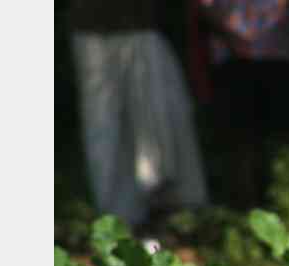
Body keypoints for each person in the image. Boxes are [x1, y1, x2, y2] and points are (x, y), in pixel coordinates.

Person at [70, 0, 208, 238]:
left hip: (140, 26)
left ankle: (161, 207)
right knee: (103, 127)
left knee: (158, 121)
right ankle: (119, 220)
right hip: (91, 27)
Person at [195, 0, 289, 210]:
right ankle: (244, 209)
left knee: (282, 136)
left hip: (278, 53)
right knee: (239, 140)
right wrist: (232, 36)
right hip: (231, 57)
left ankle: (287, 204)